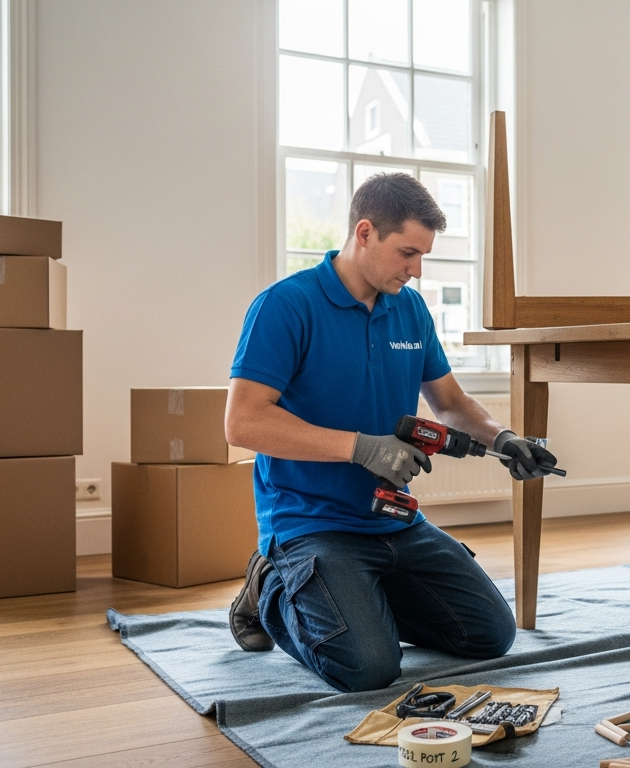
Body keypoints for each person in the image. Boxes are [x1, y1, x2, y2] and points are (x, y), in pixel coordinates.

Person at [223, 172, 558, 692]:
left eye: (423, 256)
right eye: (407, 253)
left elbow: (450, 403)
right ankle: (270, 583)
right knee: (367, 667)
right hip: (311, 523)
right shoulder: (286, 306)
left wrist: (504, 438)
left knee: (491, 633)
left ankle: (359, 602)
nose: (417, 271)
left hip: (392, 520)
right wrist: (360, 448)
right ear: (364, 233)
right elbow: (242, 422)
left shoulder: (410, 310)